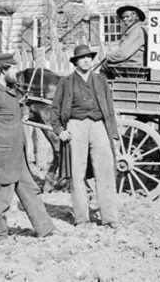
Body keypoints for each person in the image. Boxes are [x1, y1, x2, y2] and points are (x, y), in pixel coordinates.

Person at [0, 53, 58, 239]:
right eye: (12, 68)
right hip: (2, 156)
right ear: (3, 70)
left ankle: (46, 229)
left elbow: (20, 105)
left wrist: (24, 112)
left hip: (18, 155)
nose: (16, 72)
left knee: (31, 191)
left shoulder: (10, 90)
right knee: (1, 197)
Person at [51, 44, 120, 229]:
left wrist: (112, 134)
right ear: (76, 62)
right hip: (76, 127)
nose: (87, 60)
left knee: (105, 172)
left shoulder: (100, 81)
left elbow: (110, 109)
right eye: (82, 58)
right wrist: (60, 130)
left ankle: (110, 217)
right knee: (77, 174)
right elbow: (55, 109)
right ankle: (82, 218)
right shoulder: (66, 82)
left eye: (89, 57)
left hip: (99, 126)